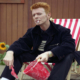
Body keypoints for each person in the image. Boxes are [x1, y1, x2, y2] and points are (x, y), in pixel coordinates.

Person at [0, 2, 75, 80]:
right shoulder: (33, 31)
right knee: (17, 53)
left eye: (39, 14)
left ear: (48, 15)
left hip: (55, 57)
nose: (36, 17)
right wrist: (10, 52)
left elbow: (70, 45)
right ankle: (5, 78)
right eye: (34, 15)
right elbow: (21, 43)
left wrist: (49, 53)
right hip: (38, 56)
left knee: (68, 55)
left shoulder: (61, 30)